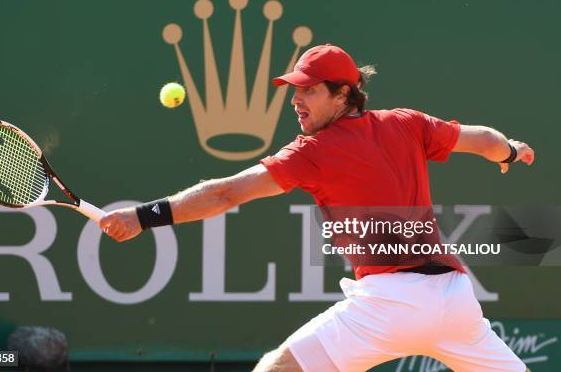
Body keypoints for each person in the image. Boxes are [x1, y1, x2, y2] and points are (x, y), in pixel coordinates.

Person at [100, 44, 535, 371]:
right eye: (294, 90)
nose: (295, 100)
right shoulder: (406, 122)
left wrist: (142, 217)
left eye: (308, 90)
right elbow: (483, 141)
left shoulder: (314, 150)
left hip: (390, 304)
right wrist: (511, 152)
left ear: (343, 94)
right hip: (455, 300)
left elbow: (226, 193)